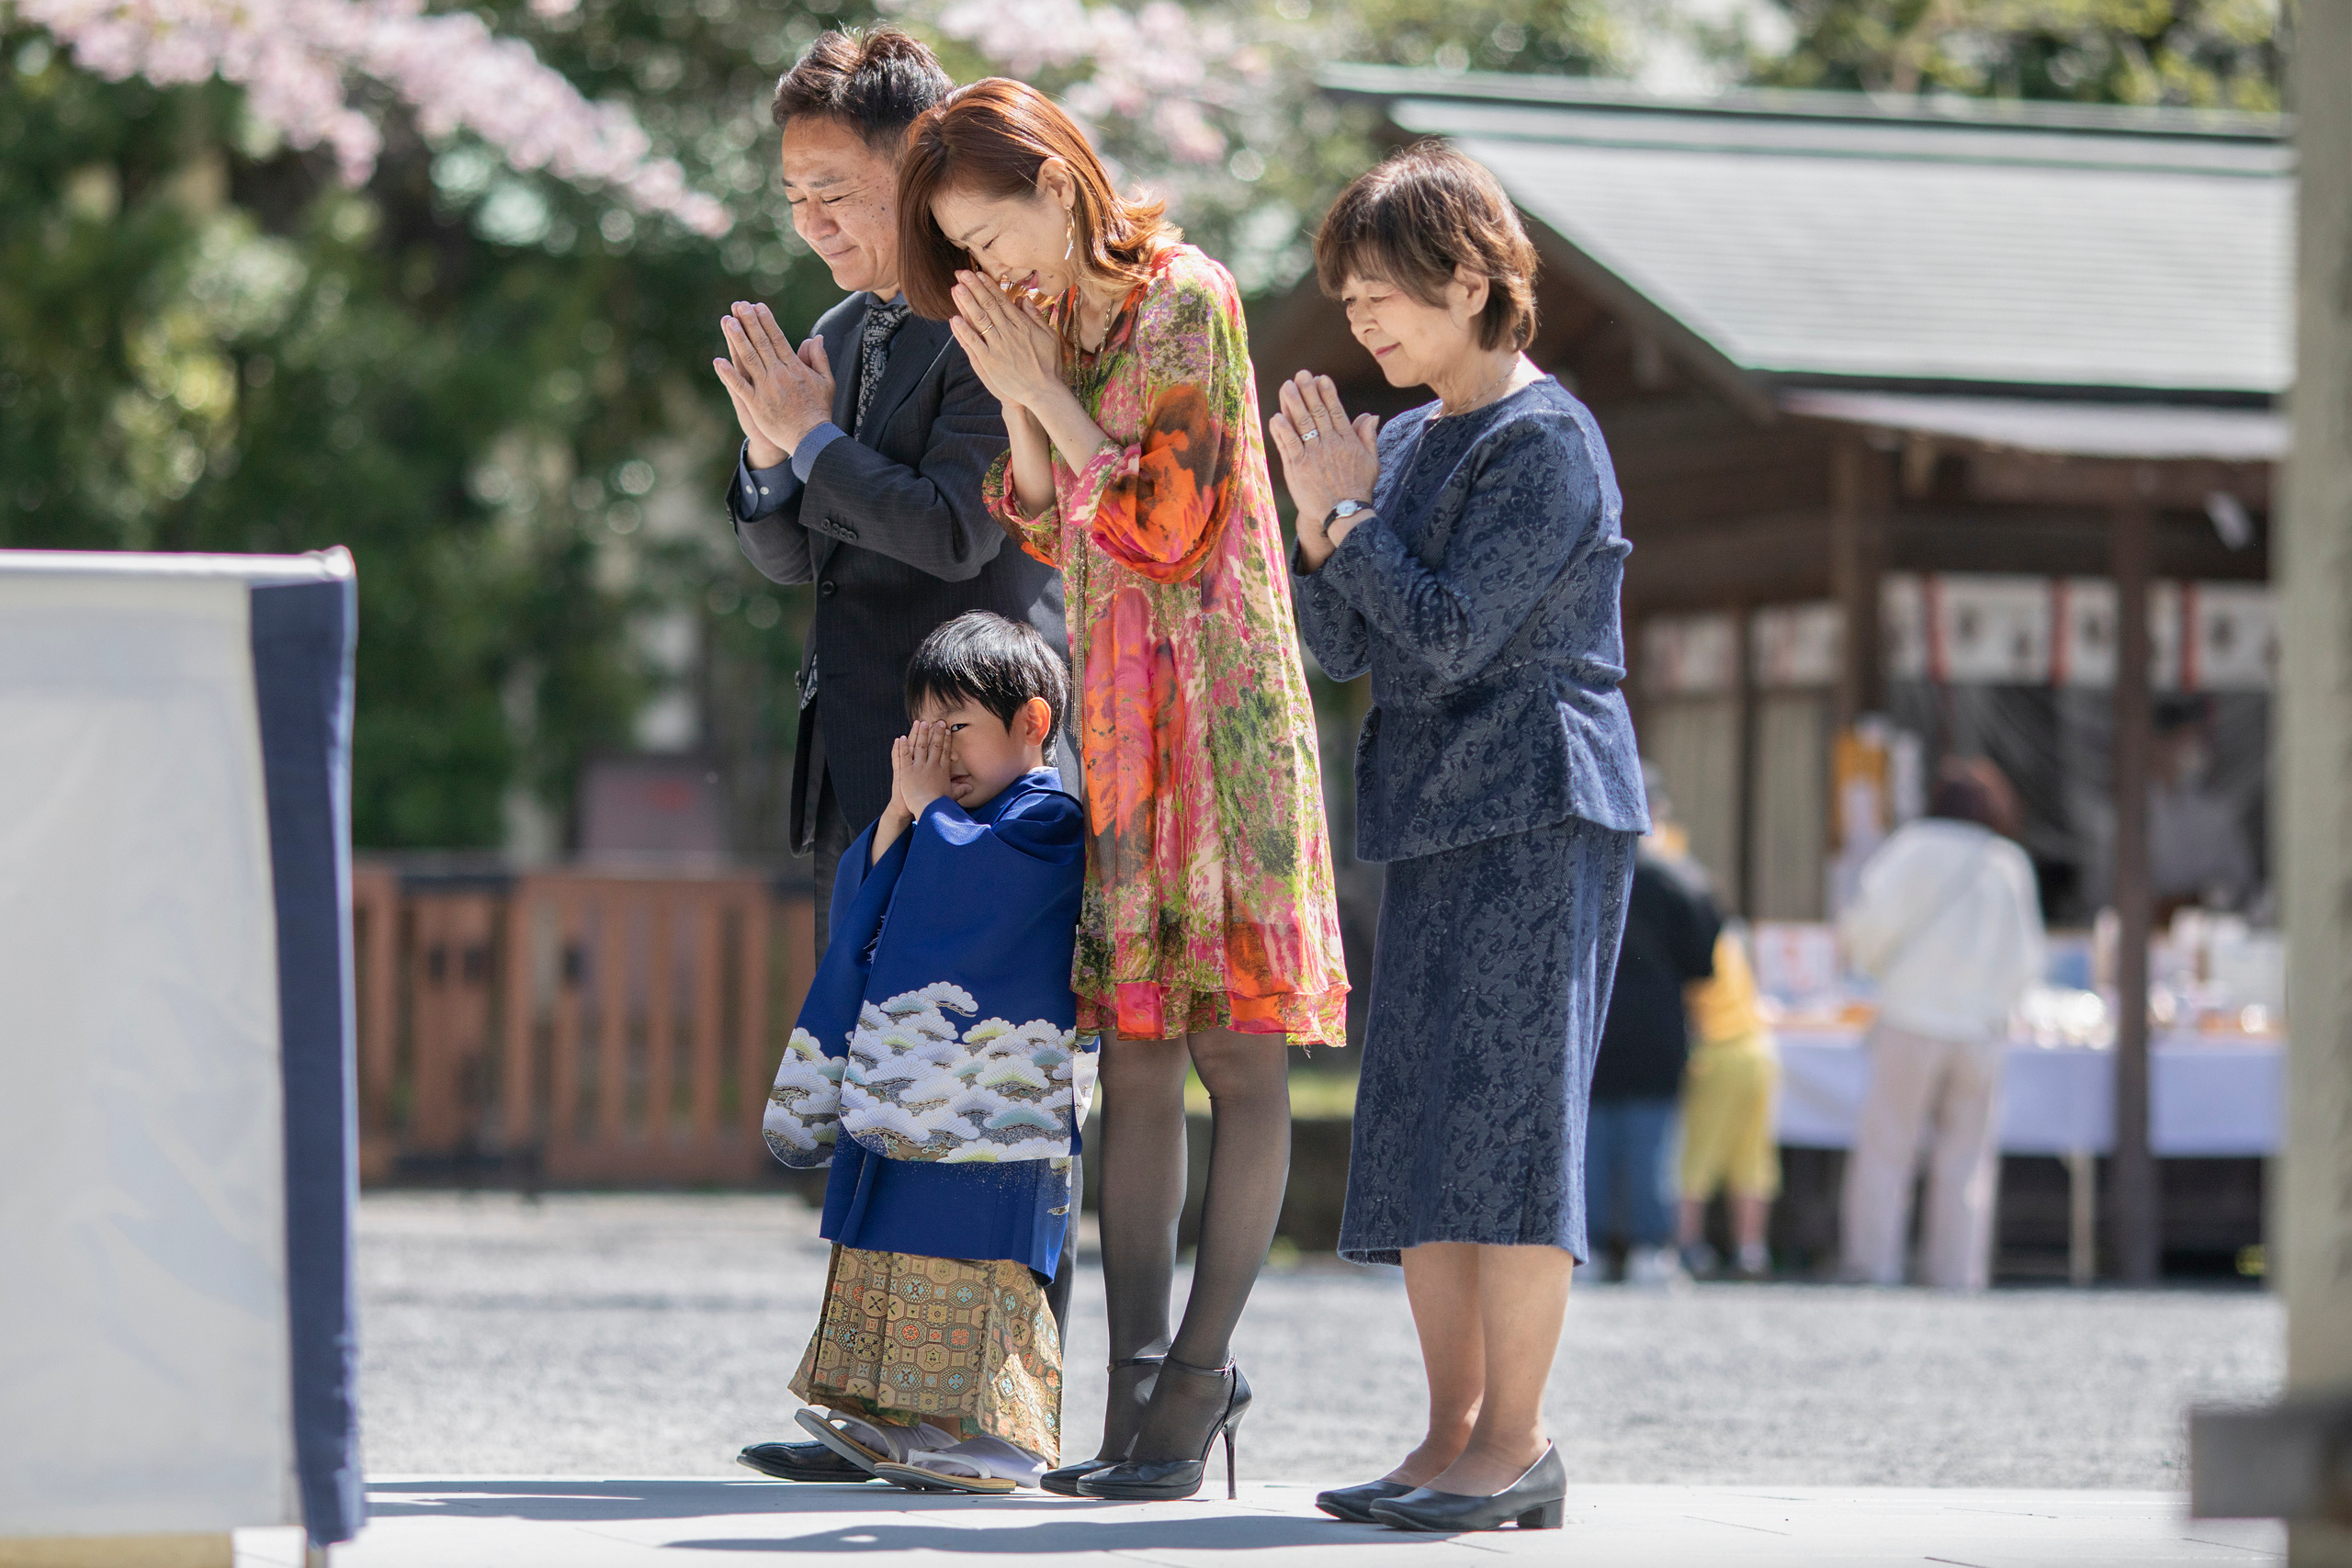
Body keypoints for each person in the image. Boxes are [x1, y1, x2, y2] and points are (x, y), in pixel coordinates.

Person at [896, 79, 1350, 1504]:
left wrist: (1036, 387)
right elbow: (1036, 511)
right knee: (1136, 1056)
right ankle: (1127, 1388)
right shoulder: (1060, 326)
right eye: (967, 251)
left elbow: (1164, 522)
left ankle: (1198, 1373)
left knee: (1235, 1050)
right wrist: (1023, 392)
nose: (998, 266)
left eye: (998, 225)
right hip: (1122, 720)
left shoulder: (1182, 296)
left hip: (1220, 715)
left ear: (1059, 175)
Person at [1278, 142, 1648, 1533]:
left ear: (1476, 279)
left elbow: (1441, 633)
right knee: (1424, 1125)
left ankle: (1519, 1437)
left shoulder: (1547, 439)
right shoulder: (1417, 438)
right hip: (1433, 806)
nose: (1362, 320)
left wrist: (1345, 514)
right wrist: (1319, 519)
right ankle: (1445, 1434)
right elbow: (1340, 639)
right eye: (1351, 296)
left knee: (1513, 1125)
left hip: (1543, 801)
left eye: (1383, 293)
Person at [709, 28, 1064, 958]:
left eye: (833, 194)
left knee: (966, 1075)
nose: (811, 223)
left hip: (972, 770)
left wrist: (812, 440)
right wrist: (767, 455)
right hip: (850, 761)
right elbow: (795, 559)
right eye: (794, 199)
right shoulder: (840, 321)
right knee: (861, 1073)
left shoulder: (990, 314)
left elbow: (958, 532)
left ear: (916, 164)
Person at [746, 612, 1091, 1494]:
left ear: (1033, 723)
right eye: (923, 736)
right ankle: (893, 1420)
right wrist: (905, 811)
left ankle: (999, 1438)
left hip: (994, 1101)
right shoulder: (947, 810)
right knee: (895, 1243)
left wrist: (929, 809)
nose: (939, 755)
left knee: (981, 1261)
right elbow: (867, 905)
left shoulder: (1046, 814)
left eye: (959, 730)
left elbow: (987, 896)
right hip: (907, 1084)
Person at [1838, 757, 2045, 1292]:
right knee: (1966, 1161)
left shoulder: (1912, 848)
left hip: (1912, 1016)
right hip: (1980, 1028)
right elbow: (2028, 961)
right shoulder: (2008, 863)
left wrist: (1874, 968)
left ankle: (1874, 1267)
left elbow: (1867, 926)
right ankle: (1956, 1275)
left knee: (1888, 1149)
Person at [1588, 779, 1721, 1289]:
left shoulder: (1584, 873)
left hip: (1593, 1028)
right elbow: (1703, 964)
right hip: (1658, 1032)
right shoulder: (1680, 879)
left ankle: (1589, 1247)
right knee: (1653, 1145)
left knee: (1588, 1144)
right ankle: (1650, 1248)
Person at [1676, 923, 1781, 1280]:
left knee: (1697, 1153)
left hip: (1717, 1048)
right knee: (1752, 1156)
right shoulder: (1728, 936)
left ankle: (1688, 1245)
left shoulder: (1690, 937)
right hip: (1758, 1047)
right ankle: (1751, 1250)